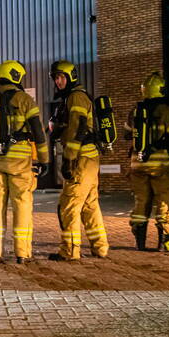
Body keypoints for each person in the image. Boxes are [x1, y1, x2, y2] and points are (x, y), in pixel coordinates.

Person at [0, 59, 48, 264]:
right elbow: (38, 132)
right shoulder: (24, 100)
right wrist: (43, 159)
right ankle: (22, 253)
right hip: (19, 163)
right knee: (22, 205)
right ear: (16, 76)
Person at [47, 60, 109, 260]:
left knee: (68, 205)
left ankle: (70, 251)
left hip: (80, 159)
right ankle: (100, 248)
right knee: (90, 205)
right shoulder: (73, 97)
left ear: (71, 77)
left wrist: (68, 160)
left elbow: (77, 127)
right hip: (89, 158)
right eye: (56, 78)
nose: (58, 81)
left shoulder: (75, 97)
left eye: (61, 77)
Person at [125, 71, 169, 252]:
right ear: (160, 90)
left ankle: (140, 241)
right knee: (165, 200)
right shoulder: (165, 111)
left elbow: (126, 134)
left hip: (137, 164)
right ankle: (166, 239)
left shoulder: (135, 111)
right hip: (160, 165)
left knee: (140, 201)